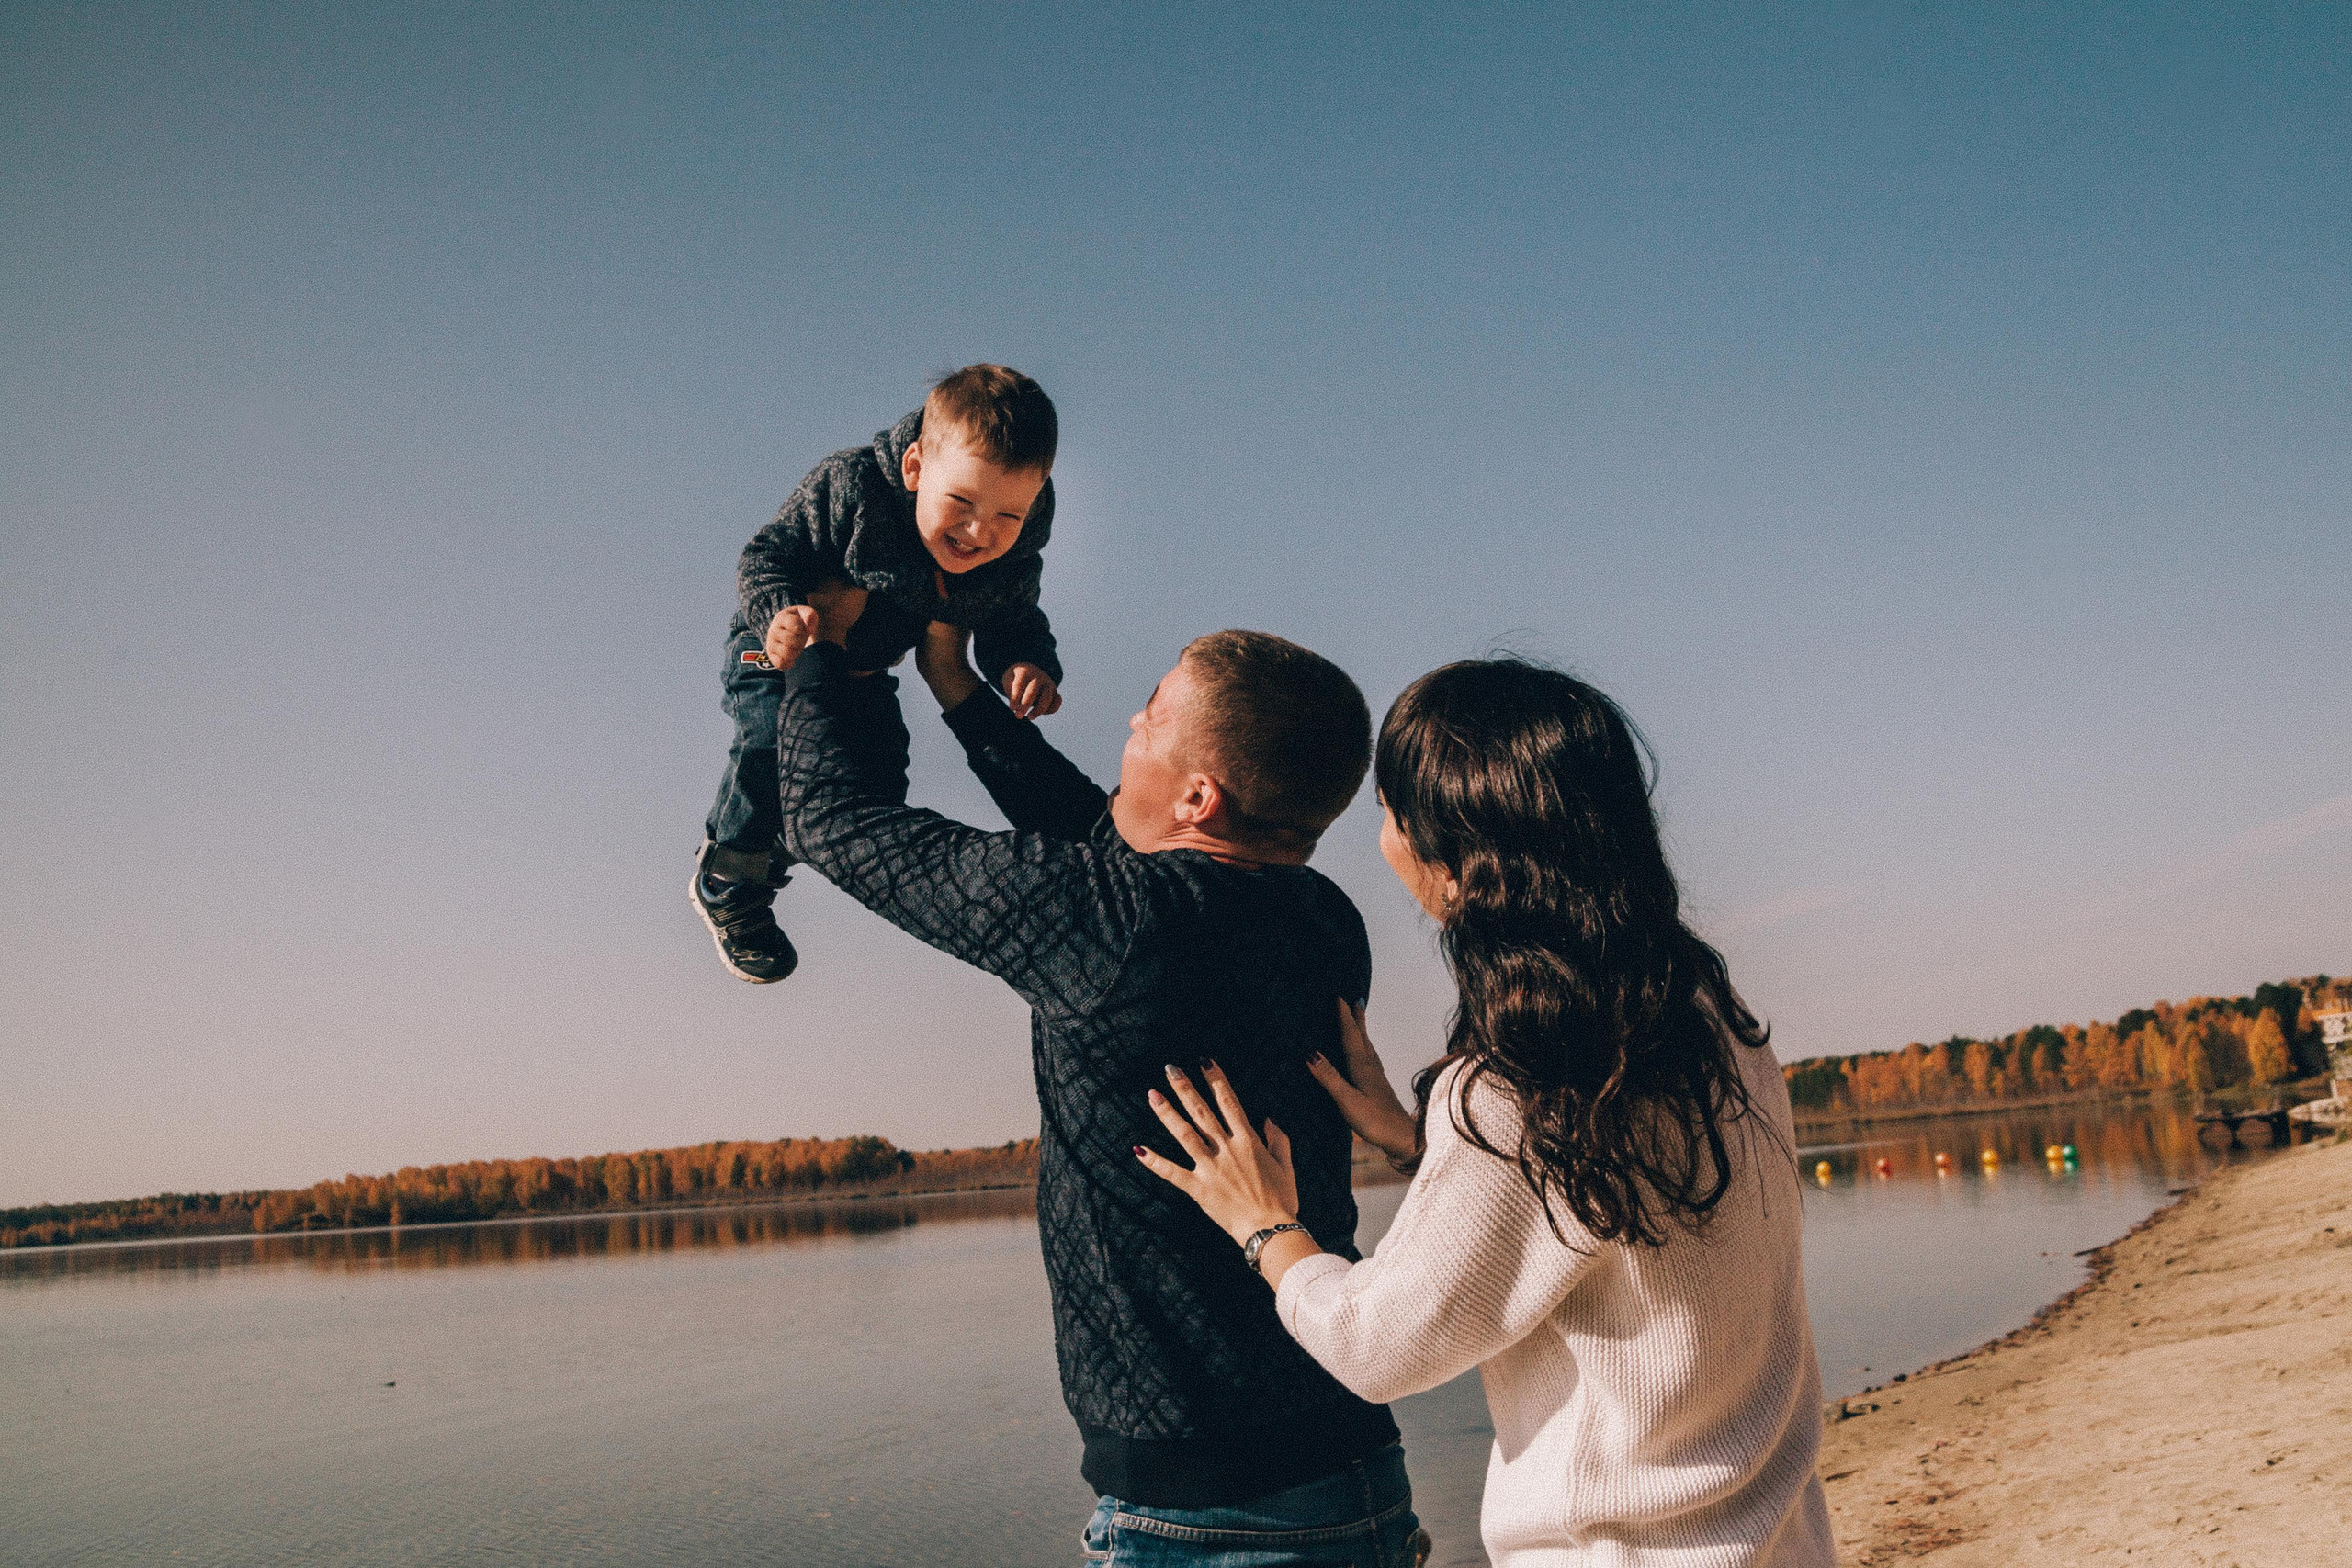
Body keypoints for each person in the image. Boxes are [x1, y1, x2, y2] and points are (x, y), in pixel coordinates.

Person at [774, 600, 1430, 1566]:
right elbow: (1106, 837)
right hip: (1357, 1472)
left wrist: (819, 659)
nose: (1129, 726)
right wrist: (957, 689)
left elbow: (834, 821)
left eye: (1150, 717)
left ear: (1201, 795)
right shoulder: (1322, 917)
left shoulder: (1113, 922)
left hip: (1205, 1519)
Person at [1139, 658, 1836, 1568]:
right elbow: (1612, 1221)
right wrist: (1417, 1140)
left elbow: (1379, 1346)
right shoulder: (1712, 1025)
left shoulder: (1514, 1094)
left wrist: (1265, 1224)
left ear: (1458, 858)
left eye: (1389, 814)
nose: (1383, 841)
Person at [693, 363, 1067, 983]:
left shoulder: (1013, 556)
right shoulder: (853, 488)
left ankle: (783, 843)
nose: (980, 532)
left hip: (863, 670)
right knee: (768, 734)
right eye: (963, 503)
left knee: (878, 780)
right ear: (916, 468)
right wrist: (778, 612)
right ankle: (731, 872)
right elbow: (767, 553)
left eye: (1009, 516)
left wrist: (1025, 665)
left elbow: (1014, 618)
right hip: (775, 649)